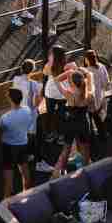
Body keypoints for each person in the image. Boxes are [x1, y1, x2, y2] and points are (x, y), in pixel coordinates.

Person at [55, 67, 94, 173]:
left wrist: (68, 72)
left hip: (71, 123)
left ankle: (62, 170)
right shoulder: (88, 94)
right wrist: (86, 74)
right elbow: (90, 76)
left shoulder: (69, 94)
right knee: (85, 148)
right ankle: (86, 169)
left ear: (72, 82)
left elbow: (56, 80)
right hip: (83, 123)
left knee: (66, 148)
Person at [38, 45, 68, 173]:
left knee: (50, 114)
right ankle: (61, 136)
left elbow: (44, 75)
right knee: (61, 115)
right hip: (62, 94)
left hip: (51, 94)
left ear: (53, 55)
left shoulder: (49, 66)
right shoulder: (66, 64)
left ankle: (50, 134)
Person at [0, 88, 34, 199]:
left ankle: (6, 201)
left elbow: (0, 132)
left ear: (10, 100)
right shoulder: (27, 110)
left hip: (8, 147)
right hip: (23, 144)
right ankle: (26, 195)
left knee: (8, 177)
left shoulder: (5, 117)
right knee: (24, 171)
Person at [83, 50, 109, 128]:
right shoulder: (102, 66)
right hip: (101, 96)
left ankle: (93, 133)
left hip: (92, 99)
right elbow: (106, 82)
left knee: (92, 118)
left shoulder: (87, 71)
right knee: (100, 118)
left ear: (87, 59)